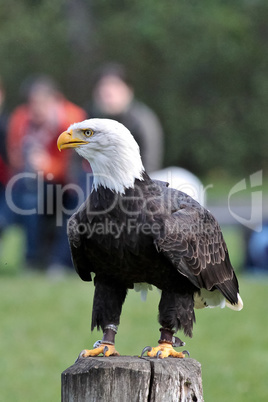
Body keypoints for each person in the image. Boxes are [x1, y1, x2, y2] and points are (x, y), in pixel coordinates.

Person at [6, 75, 87, 275]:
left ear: (55, 100)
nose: (37, 109)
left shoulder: (72, 119)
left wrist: (49, 165)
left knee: (77, 204)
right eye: (33, 103)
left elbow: (76, 163)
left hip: (71, 182)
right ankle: (32, 259)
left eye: (43, 102)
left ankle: (61, 262)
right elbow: (14, 156)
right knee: (28, 198)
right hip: (37, 182)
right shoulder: (21, 119)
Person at [87, 63, 164, 173]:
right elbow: (75, 162)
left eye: (115, 86)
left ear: (129, 90)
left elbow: (150, 165)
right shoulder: (89, 117)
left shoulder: (143, 121)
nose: (108, 92)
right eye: (103, 87)